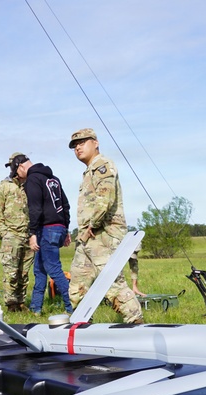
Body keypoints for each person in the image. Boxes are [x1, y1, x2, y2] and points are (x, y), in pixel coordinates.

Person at [67, 128, 144, 324]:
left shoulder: (103, 165)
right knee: (77, 285)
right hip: (87, 237)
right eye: (75, 146)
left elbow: (105, 198)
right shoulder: (89, 171)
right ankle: (82, 326)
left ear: (96, 142)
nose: (78, 148)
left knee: (111, 284)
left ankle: (137, 324)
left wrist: (93, 223)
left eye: (82, 142)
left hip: (104, 235)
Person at [15, 155, 73, 315]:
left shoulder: (33, 179)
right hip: (58, 227)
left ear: (20, 166)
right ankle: (36, 309)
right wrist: (65, 228)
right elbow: (65, 205)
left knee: (54, 269)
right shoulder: (54, 179)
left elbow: (35, 208)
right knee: (40, 269)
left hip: (46, 229)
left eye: (17, 173)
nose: (18, 178)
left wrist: (32, 233)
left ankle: (73, 307)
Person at [0, 152, 33, 312]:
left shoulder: (29, 186)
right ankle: (11, 304)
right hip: (12, 236)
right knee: (11, 272)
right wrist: (5, 234)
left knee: (24, 273)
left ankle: (21, 302)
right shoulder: (3, 187)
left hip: (28, 236)